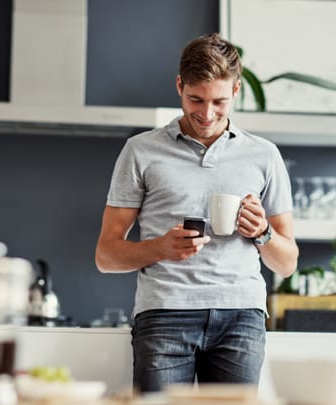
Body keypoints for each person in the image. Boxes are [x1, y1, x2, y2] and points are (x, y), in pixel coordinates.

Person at [95, 33, 299, 393]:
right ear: (179, 86)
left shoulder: (264, 155)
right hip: (163, 314)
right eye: (195, 99)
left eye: (219, 101)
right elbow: (106, 255)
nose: (206, 114)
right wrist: (160, 248)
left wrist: (263, 231)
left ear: (236, 91)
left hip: (241, 317)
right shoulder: (140, 151)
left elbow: (287, 263)